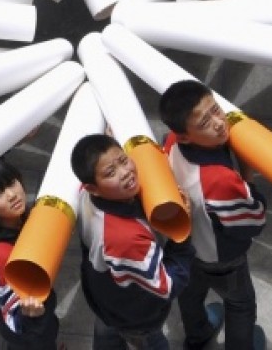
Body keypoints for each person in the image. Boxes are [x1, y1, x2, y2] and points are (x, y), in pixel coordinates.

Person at [159, 80, 267, 350]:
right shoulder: (219, 180)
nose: (219, 123)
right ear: (185, 135)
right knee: (240, 303)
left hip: (185, 247)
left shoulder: (172, 142)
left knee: (190, 294)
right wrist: (248, 176)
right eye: (205, 122)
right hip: (221, 257)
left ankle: (197, 336)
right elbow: (253, 221)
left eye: (216, 110)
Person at [71, 133, 195, 349]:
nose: (125, 172)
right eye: (111, 172)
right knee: (150, 340)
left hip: (105, 299)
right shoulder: (126, 238)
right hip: (136, 315)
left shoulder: (84, 196)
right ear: (93, 187)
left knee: (107, 332)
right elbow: (168, 285)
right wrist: (181, 233)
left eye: (123, 160)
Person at [0, 158, 61, 349]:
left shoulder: (20, 220)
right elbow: (15, 316)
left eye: (11, 183)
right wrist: (36, 320)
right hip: (29, 330)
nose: (11, 195)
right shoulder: (3, 255)